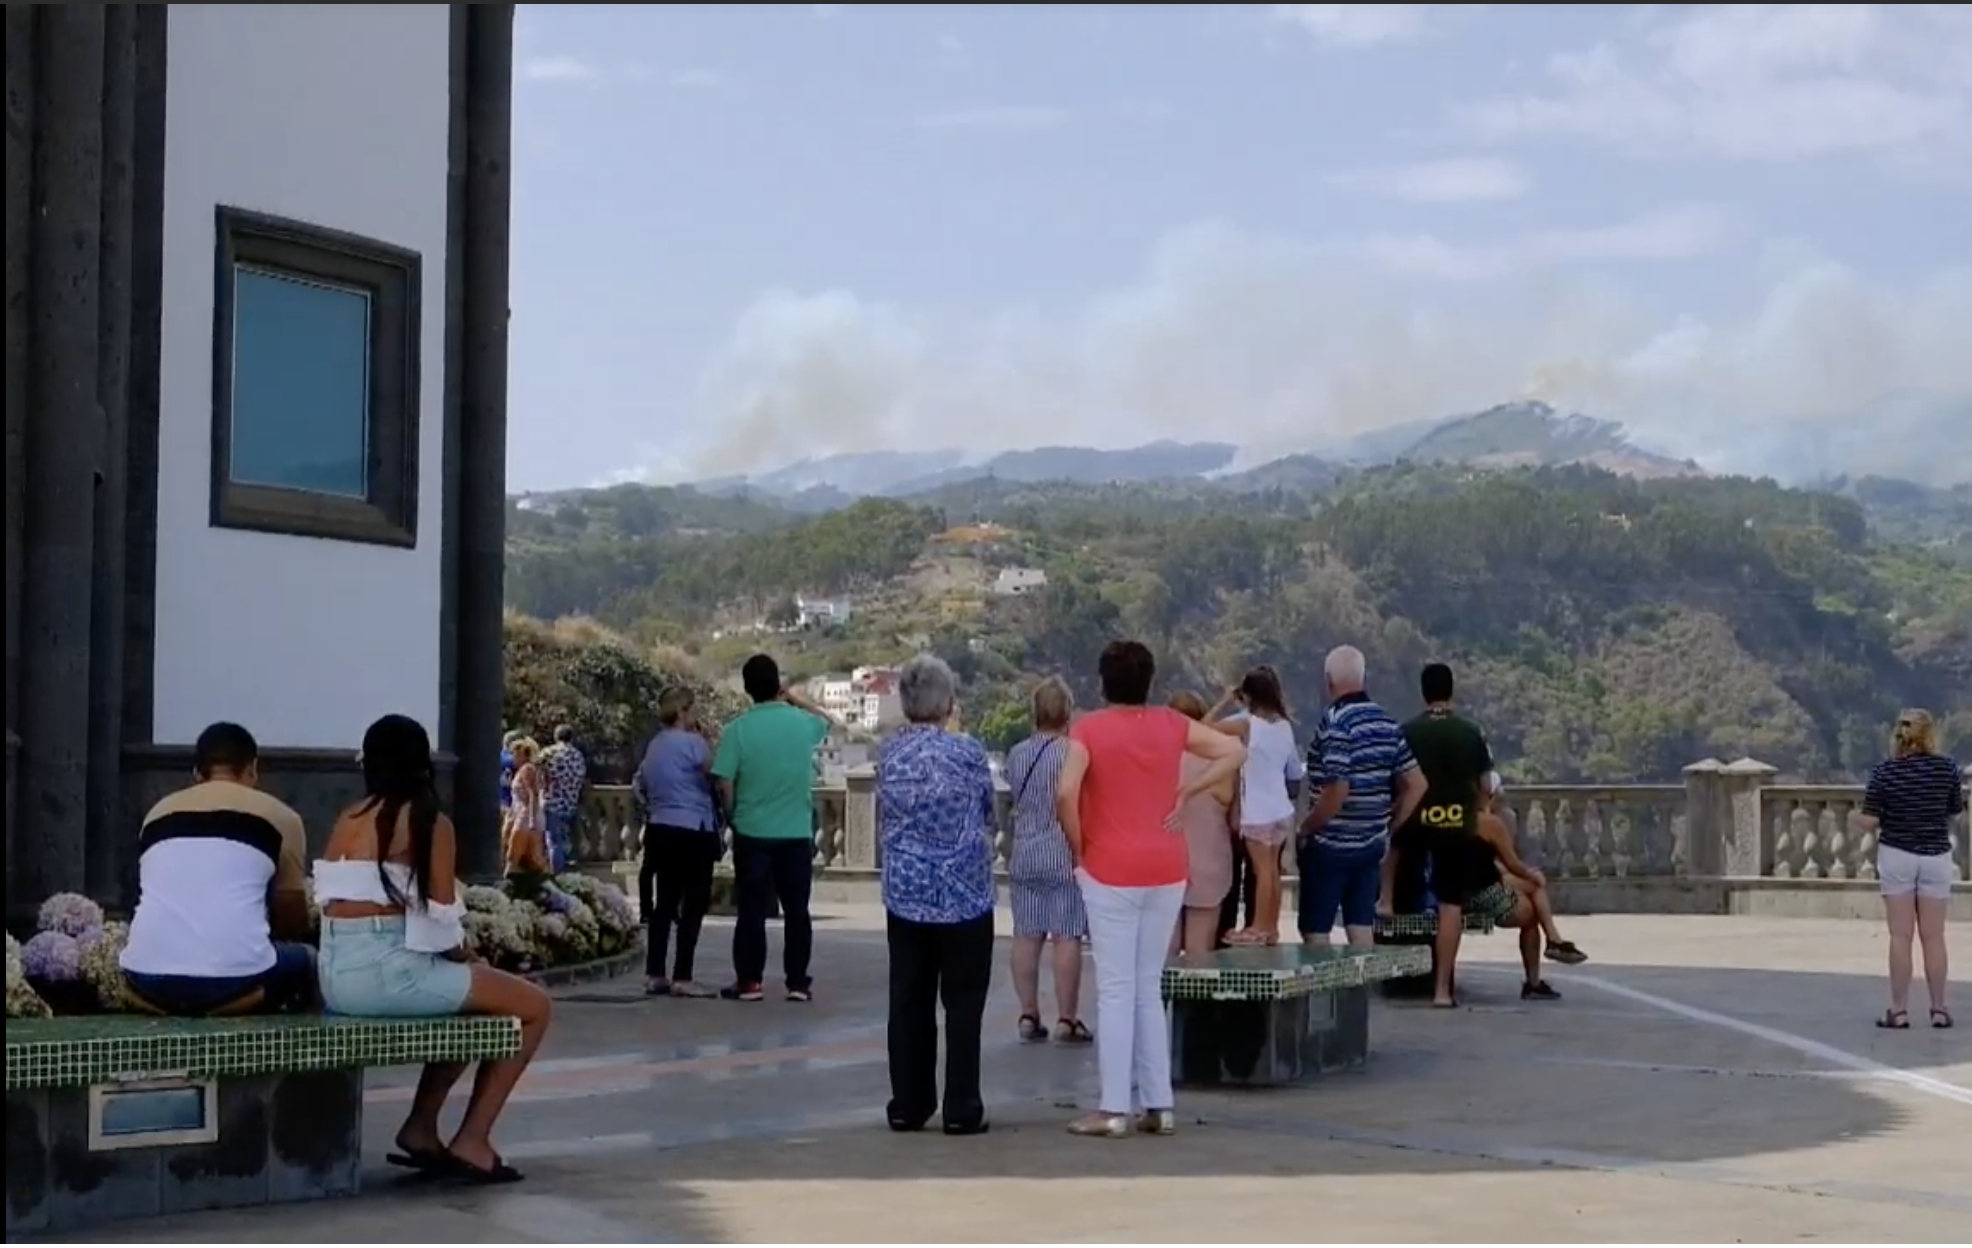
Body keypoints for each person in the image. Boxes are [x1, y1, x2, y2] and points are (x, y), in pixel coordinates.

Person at [314, 714, 553, 1184]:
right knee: (535, 1007)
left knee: (474, 1001)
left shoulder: (349, 817)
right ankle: (474, 1139)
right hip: (385, 973)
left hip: (336, 976)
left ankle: (421, 1128)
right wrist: (474, 961)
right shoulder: (427, 820)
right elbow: (442, 920)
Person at [1057, 640, 1246, 1139]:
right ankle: (1158, 1103)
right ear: (1149, 680)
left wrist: (1081, 847)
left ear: (1103, 681)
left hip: (1110, 868)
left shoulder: (1089, 730)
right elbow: (1234, 748)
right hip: (1167, 866)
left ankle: (1113, 1106)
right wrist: (1194, 789)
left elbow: (1065, 791)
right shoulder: (1172, 724)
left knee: (1117, 988)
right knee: (1147, 986)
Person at [876, 656, 999, 1135]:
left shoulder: (889, 755)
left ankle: (908, 1102)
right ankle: (962, 1106)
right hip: (965, 895)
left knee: (908, 999)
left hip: (906, 893)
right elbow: (989, 809)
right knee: (964, 1004)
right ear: (948, 702)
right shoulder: (968, 752)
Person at [120, 722, 316, 1016]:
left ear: (197, 773)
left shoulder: (156, 814)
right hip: (235, 984)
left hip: (144, 979)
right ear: (252, 769)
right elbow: (293, 921)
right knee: (310, 960)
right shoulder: (279, 816)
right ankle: (308, 1058)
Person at [713, 653, 832, 1002]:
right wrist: (794, 697)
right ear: (777, 684)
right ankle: (797, 982)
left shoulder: (737, 730)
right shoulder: (800, 724)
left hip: (752, 830)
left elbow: (724, 782)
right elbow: (827, 721)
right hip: (795, 830)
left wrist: (733, 813)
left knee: (751, 910)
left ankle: (750, 981)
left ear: (747, 688)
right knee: (797, 911)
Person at [1299, 645, 1426, 948]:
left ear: (1329, 680)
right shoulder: (1387, 723)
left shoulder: (1336, 724)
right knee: (1360, 925)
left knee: (1316, 928)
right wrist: (1389, 823)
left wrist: (1308, 827)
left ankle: (1324, 993)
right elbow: (1417, 783)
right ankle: (1358, 994)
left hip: (1330, 845)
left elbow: (1337, 789)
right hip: (1370, 844)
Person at [1851, 709, 1962, 1030]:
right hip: (1935, 855)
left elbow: (1871, 820)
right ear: (1929, 735)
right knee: (1934, 936)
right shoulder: (1946, 768)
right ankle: (1939, 1009)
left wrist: (1853, 819)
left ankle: (1899, 1011)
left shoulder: (1884, 771)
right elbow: (1954, 809)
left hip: (1897, 854)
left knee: (1901, 936)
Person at [1391, 662, 1494, 1000]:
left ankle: (1386, 905)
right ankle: (1442, 991)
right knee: (1451, 905)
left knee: (1404, 893)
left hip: (1414, 829)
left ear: (1424, 692)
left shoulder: (1407, 732)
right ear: (1451, 691)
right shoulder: (1470, 732)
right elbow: (1485, 787)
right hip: (1456, 828)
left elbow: (1397, 783)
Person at [1005, 677, 1092, 1044]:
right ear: (1067, 712)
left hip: (1024, 851)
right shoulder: (1074, 752)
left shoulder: (1017, 753)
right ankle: (1066, 1018)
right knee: (1066, 935)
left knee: (1027, 934)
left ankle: (1028, 1012)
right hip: (1062, 851)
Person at [1457, 772, 1588, 1004]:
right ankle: (1548, 951)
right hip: (1480, 891)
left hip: (1458, 887)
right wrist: (1531, 874)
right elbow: (1511, 862)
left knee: (1533, 890)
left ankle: (1553, 941)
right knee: (1533, 901)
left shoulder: (1452, 817)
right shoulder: (1490, 823)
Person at [632, 686, 722, 998]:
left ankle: (654, 972)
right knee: (693, 905)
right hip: (692, 829)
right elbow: (717, 773)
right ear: (683, 711)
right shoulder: (694, 744)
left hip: (660, 827)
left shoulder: (654, 745)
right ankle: (683, 975)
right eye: (693, 708)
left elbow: (641, 784)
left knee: (664, 903)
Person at [1208, 667, 1303, 945]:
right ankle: (1270, 926)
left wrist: (1224, 700)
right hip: (1282, 809)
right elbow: (1293, 773)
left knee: (1262, 872)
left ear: (1248, 695)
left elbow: (1202, 727)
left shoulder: (1247, 725)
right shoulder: (1284, 726)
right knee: (1272, 871)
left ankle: (1258, 927)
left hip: (1258, 810)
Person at [1169, 692, 1240, 958]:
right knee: (1200, 952)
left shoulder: (1163, 761)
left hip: (1167, 865)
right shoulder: (1220, 764)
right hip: (1210, 864)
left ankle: (1162, 1000)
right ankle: (1195, 1000)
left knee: (1167, 950)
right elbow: (1232, 814)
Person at [537, 725, 588, 872]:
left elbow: (533, 769)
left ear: (555, 736)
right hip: (571, 803)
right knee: (569, 842)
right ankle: (570, 875)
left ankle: (557, 876)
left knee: (554, 843)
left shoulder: (549, 753)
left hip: (552, 803)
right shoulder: (578, 755)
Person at [503, 737, 547, 872]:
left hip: (525, 818)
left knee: (513, 857)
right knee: (534, 860)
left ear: (522, 754)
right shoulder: (528, 769)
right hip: (526, 817)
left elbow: (532, 794)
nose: (513, 758)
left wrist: (531, 821)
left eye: (515, 754)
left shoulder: (527, 769)